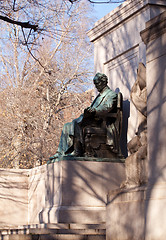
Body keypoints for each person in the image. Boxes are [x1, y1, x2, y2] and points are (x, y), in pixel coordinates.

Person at [48, 72, 118, 163]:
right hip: (92, 120)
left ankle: (77, 151)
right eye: (95, 83)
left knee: (76, 123)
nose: (96, 86)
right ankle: (61, 152)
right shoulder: (99, 96)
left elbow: (107, 107)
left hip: (101, 122)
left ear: (104, 82)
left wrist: (95, 110)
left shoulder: (111, 95)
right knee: (67, 126)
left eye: (97, 83)